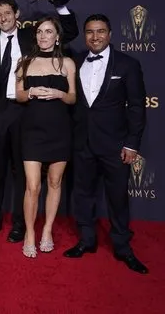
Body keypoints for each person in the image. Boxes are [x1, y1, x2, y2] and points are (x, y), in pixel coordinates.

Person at [0, 0, 78, 242]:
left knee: (24, 173)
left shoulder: (32, 36)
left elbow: (67, 32)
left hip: (26, 112)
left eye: (8, 13)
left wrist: (61, 5)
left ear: (17, 13)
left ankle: (20, 224)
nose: (3, 18)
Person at [63, 14, 148, 274]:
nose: (95, 37)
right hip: (82, 143)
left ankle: (122, 246)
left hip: (115, 144)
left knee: (117, 197)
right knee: (83, 195)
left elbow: (136, 107)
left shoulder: (127, 64)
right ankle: (86, 240)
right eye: (90, 32)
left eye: (100, 32)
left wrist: (132, 144)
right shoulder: (75, 62)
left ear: (110, 34)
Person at [14, 16, 76, 258]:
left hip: (60, 130)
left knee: (55, 182)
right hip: (31, 131)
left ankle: (47, 230)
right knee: (32, 186)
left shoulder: (68, 63)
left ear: (57, 36)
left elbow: (73, 98)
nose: (43, 36)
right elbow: (18, 95)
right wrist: (30, 92)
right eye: (39, 31)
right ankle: (30, 232)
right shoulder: (25, 62)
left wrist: (59, 93)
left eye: (48, 32)